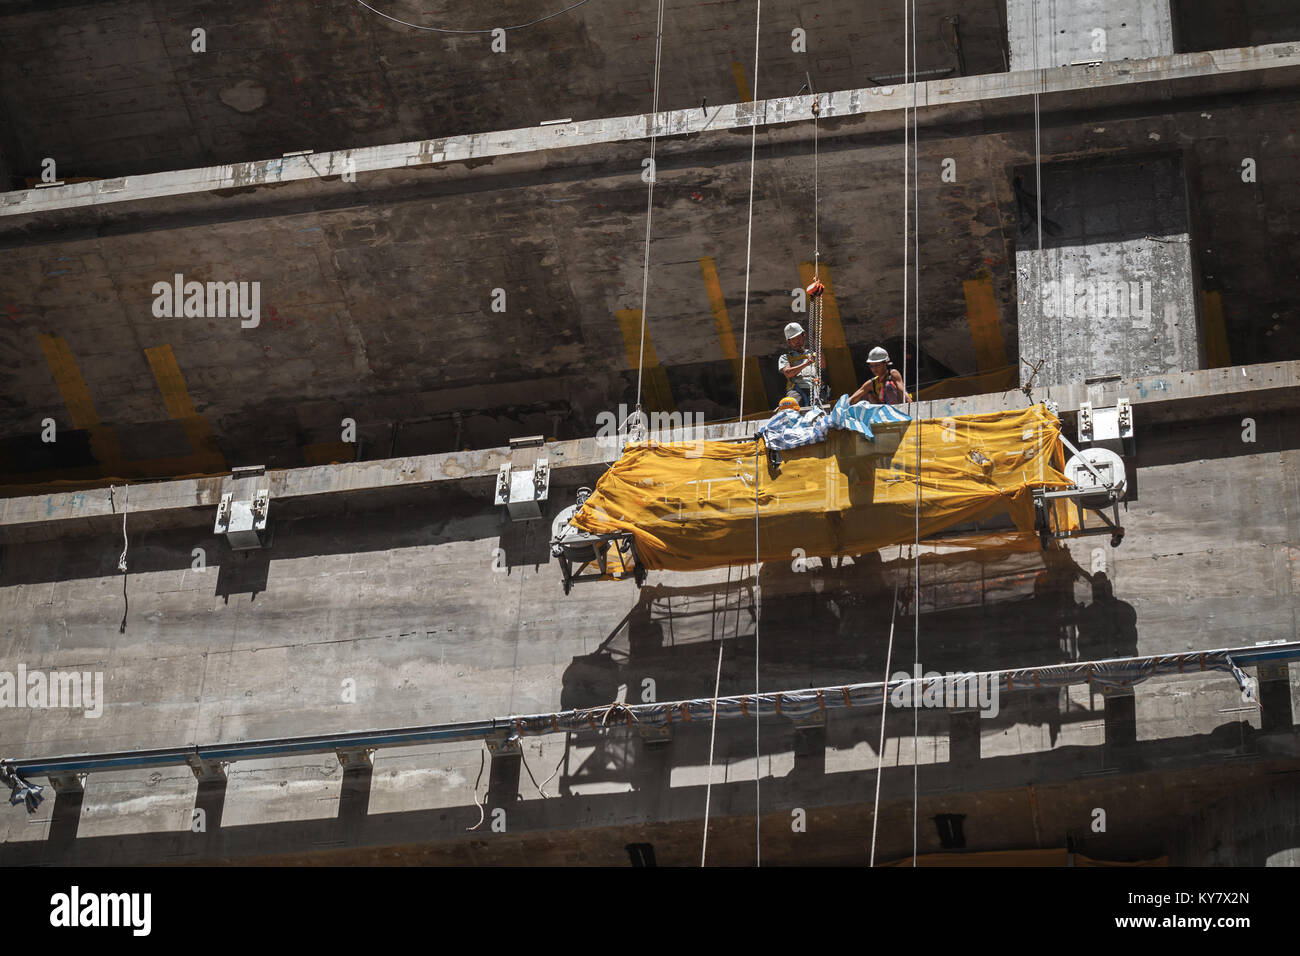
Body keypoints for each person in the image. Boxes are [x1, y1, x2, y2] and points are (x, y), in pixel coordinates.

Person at [778, 322, 824, 407]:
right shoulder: (785, 358)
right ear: (789, 342)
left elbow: (823, 365)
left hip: (814, 388)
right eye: (793, 339)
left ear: (804, 336)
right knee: (792, 405)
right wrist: (806, 364)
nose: (796, 342)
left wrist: (817, 346)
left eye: (798, 338)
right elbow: (788, 373)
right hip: (796, 389)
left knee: (819, 407)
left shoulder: (813, 355)